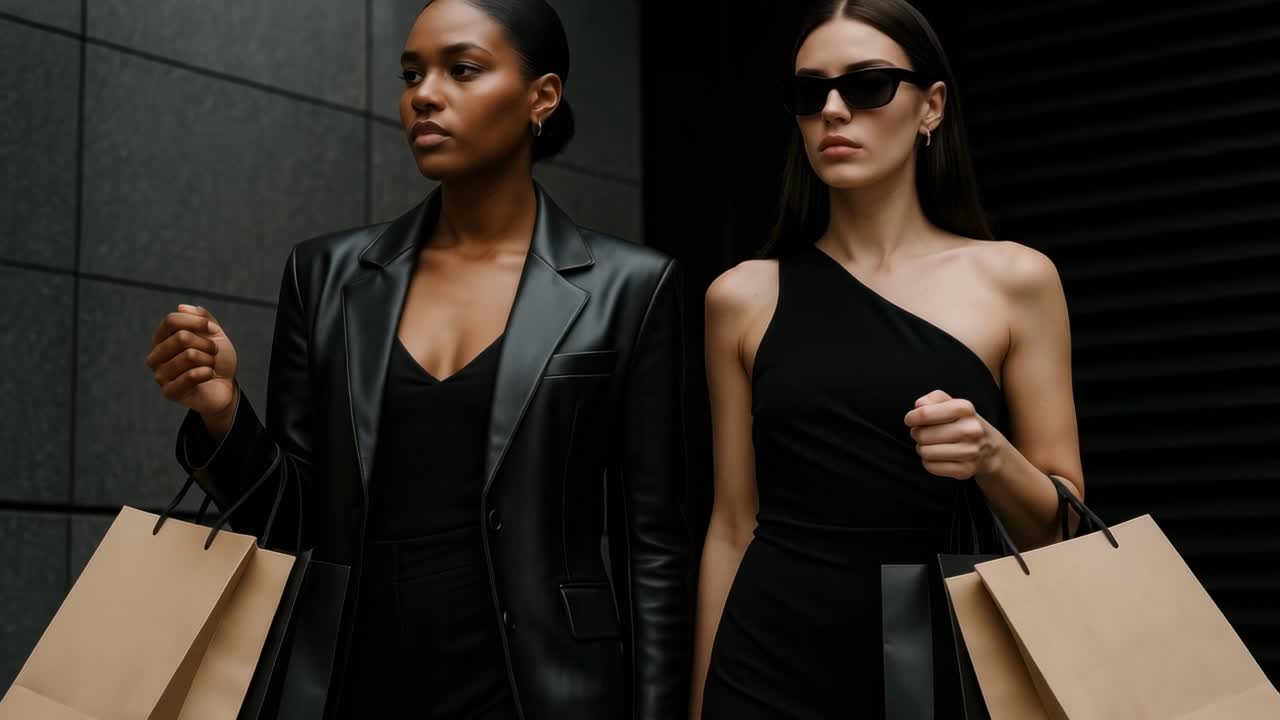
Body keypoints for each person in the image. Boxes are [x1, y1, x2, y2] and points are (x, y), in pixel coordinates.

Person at [144, 1, 691, 717]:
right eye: (411, 74)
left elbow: (654, 550)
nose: (423, 95)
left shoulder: (631, 288)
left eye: (461, 70)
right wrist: (222, 414)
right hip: (349, 683)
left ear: (542, 97)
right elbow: (296, 519)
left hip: (540, 688)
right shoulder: (327, 275)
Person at [692, 0, 1085, 716]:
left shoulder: (1015, 279)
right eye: (811, 94)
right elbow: (730, 525)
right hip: (765, 660)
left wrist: (992, 457)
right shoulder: (741, 296)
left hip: (941, 658)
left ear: (931, 107)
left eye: (867, 85)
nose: (834, 111)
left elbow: (1064, 526)